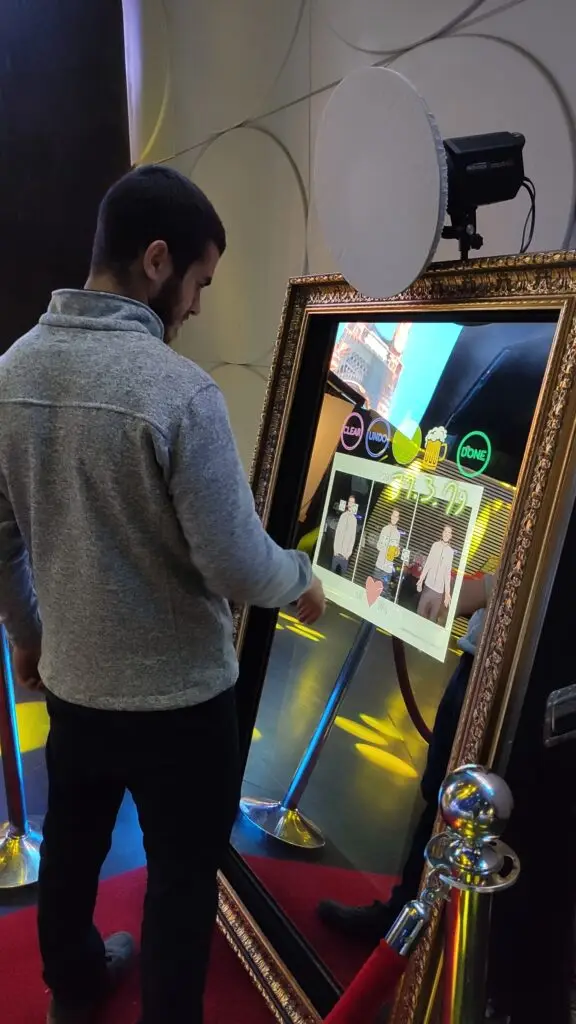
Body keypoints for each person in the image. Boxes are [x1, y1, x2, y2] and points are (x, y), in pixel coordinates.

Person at [0, 165, 325, 1024]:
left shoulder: (8, 375)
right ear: (156, 261)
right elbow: (233, 564)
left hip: (75, 689)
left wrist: (29, 632)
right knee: (181, 892)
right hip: (182, 706)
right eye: (200, 281)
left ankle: (74, 991)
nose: (197, 305)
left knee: (69, 858)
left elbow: (1, 541)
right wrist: (301, 580)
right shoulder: (180, 392)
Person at [318, 572, 493, 941]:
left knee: (462, 808)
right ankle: (405, 919)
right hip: (478, 659)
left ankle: (430, 937)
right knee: (440, 796)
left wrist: (486, 589)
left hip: (506, 676)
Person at [416, 524, 454, 622]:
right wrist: (421, 579)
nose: (446, 534)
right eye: (445, 531)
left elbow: (447, 574)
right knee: (419, 615)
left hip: (438, 593)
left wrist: (447, 593)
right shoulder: (435, 545)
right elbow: (428, 564)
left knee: (432, 620)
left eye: (449, 532)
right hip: (428, 587)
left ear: (451, 536)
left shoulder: (450, 552)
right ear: (442, 533)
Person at [374, 508, 401, 596]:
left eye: (396, 516)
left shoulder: (397, 534)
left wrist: (397, 552)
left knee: (383, 593)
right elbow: (378, 545)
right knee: (373, 591)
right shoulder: (384, 529)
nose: (394, 518)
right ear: (391, 516)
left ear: (398, 519)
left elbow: (395, 553)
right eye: (393, 515)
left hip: (388, 569)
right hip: (379, 565)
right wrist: (384, 547)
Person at [332, 495, 358, 574]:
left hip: (345, 556)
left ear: (354, 504)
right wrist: (335, 549)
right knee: (331, 573)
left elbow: (352, 538)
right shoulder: (342, 516)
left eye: (352, 502)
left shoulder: (354, 520)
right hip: (336, 553)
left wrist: (348, 554)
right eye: (350, 501)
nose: (350, 503)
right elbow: (337, 533)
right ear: (347, 503)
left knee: (343, 575)